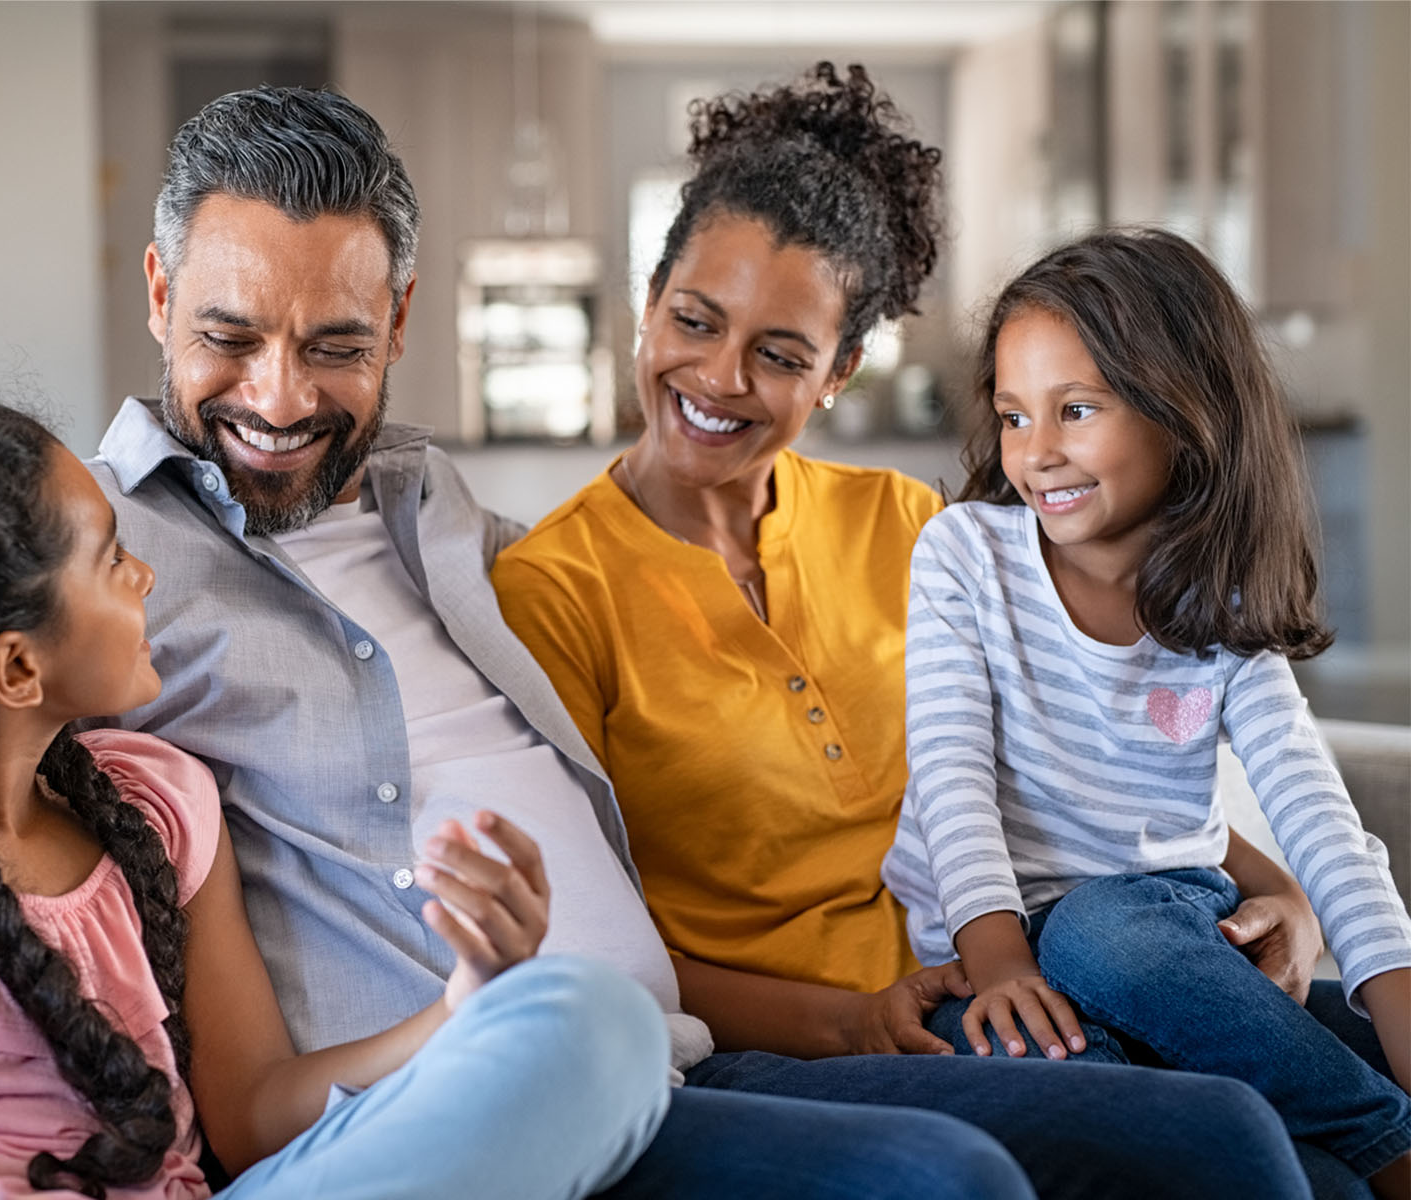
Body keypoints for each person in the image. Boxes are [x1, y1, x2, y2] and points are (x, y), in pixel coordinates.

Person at [0, 85, 1306, 1200]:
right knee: (947, 1190)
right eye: (227, 336)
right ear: (151, 294)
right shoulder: (68, 577)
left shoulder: (449, 525)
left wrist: (1228, 849)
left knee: (1218, 1142)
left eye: (336, 343)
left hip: (687, 1062)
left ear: (403, 321)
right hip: (448, 1103)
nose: (277, 398)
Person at [490, 65, 1359, 1191]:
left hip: (1028, 968)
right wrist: (853, 1019)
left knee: (1353, 1067)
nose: (718, 378)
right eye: (694, 322)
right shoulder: (552, 587)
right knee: (1246, 1145)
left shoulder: (907, 525)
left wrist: (1272, 886)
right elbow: (595, 952)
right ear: (646, 304)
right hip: (797, 1046)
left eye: (782, 353)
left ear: (842, 371)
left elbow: (1075, 760)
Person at [0, 398, 670, 1200]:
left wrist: (465, 1003)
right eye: (112, 560)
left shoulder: (158, 805)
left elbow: (252, 1121)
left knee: (590, 1021)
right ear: (17, 667)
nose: (147, 578)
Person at [878, 228, 1411, 1194]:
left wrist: (1394, 985)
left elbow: (1316, 815)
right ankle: (1372, 1144)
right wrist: (997, 961)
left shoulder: (1222, 609)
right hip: (993, 956)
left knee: (1102, 933)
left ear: (1184, 413)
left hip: (1154, 939)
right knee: (1108, 1097)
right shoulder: (964, 556)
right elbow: (950, 773)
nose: (1036, 454)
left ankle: (1386, 1138)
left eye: (1076, 410)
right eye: (1011, 416)